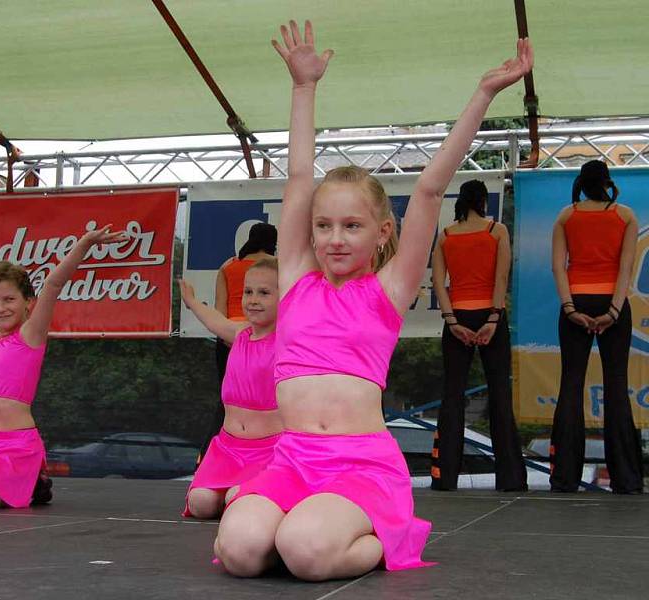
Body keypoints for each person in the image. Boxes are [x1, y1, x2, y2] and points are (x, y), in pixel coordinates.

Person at [213, 20, 533, 580]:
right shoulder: (294, 275)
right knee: (239, 551)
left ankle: (388, 533)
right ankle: (305, 527)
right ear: (309, 231)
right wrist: (303, 88)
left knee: (305, 551)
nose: (336, 239)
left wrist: (482, 95)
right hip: (291, 460)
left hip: (358, 463)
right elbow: (297, 175)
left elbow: (431, 187)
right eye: (325, 225)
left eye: (352, 226)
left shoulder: (388, 289)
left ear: (383, 231)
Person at [0, 225, 126, 509]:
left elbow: (52, 284)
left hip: (12, 447)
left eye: (9, 300)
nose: (0, 308)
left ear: (28, 302)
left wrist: (85, 243)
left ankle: (30, 486)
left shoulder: (31, 335)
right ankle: (9, 483)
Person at [549, 160, 643, 494]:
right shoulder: (626, 215)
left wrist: (570, 307)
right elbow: (626, 268)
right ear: (607, 182)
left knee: (571, 385)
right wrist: (614, 310)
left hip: (575, 301)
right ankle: (627, 479)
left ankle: (564, 478)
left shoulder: (566, 216)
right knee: (616, 386)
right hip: (612, 304)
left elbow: (559, 267)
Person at [430, 180, 527, 491]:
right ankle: (510, 478)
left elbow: (438, 283)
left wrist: (452, 320)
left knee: (452, 397)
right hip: (490, 315)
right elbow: (501, 277)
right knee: (500, 394)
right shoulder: (496, 231)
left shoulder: (446, 236)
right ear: (483, 200)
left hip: (457, 316)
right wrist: (494, 317)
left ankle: (445, 478)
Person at [180, 258, 283, 518]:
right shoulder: (239, 336)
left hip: (269, 451)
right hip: (228, 449)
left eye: (264, 292)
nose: (253, 299)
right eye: (248, 292)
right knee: (200, 503)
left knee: (237, 498)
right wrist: (191, 301)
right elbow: (213, 319)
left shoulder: (289, 342)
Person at [199, 223, 277, 458]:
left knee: (226, 400)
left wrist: (228, 334)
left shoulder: (228, 266)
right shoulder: (274, 268)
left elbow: (219, 308)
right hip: (263, 337)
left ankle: (207, 457)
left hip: (228, 339)